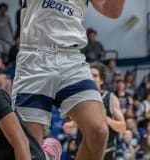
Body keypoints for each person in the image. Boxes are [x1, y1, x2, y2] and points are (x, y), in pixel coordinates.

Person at [12, 0, 125, 159]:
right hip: (34, 57)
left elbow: (112, 11)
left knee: (98, 132)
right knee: (30, 152)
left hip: (71, 58)